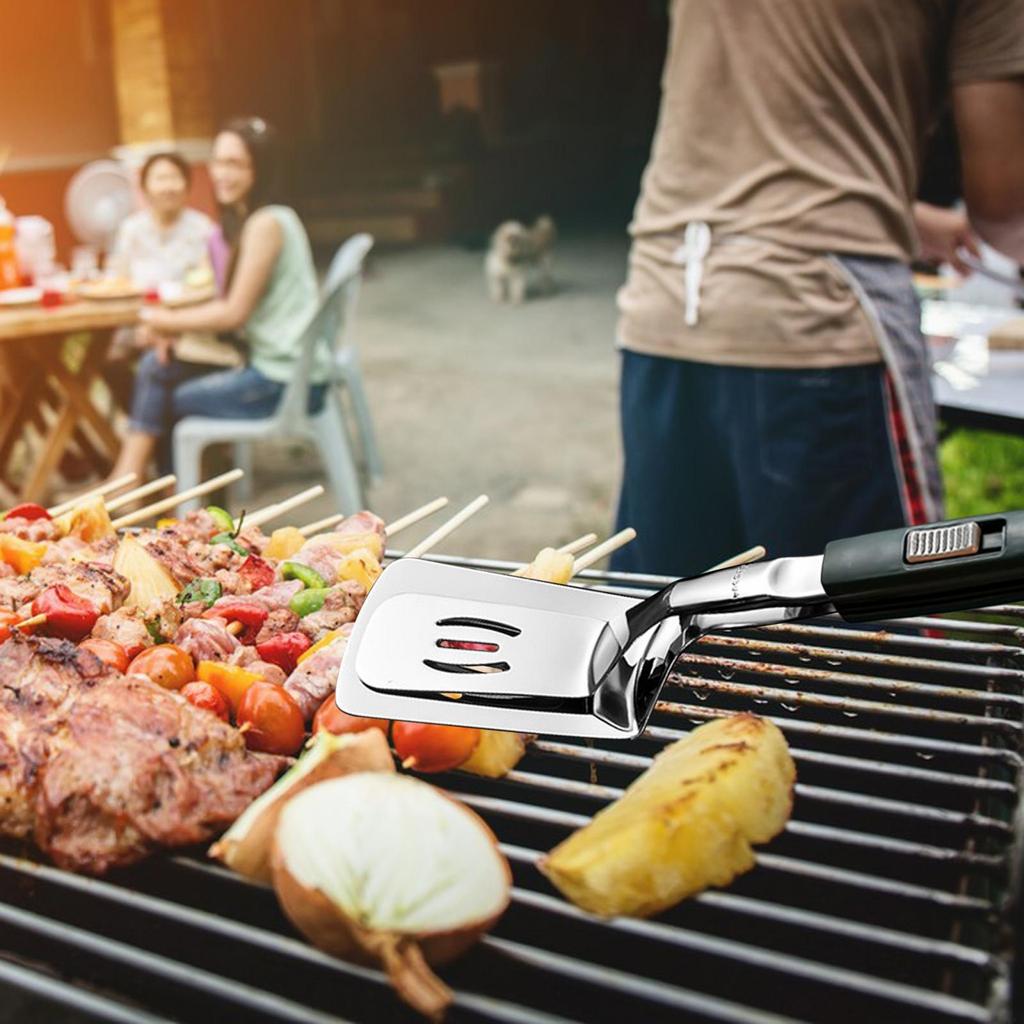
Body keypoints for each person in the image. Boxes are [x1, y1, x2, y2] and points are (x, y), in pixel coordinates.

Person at [612, 0, 1024, 578]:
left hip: (666, 303)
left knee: (668, 637)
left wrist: (898, 215)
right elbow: (1005, 202)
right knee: (859, 646)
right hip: (817, 315)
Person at [108, 117, 324, 481]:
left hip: (282, 380)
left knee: (169, 397)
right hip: (274, 365)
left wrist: (161, 322)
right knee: (156, 369)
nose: (221, 173)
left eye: (235, 164)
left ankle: (150, 490)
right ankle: (142, 487)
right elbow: (222, 297)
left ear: (262, 169)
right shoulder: (253, 221)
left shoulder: (265, 224)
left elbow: (233, 313)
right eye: (218, 161)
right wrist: (170, 326)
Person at [108, 151, 214, 287]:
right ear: (144, 188)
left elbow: (208, 279)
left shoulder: (203, 227)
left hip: (191, 305)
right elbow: (118, 280)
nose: (168, 187)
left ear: (187, 185)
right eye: (161, 179)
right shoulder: (131, 228)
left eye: (175, 178)